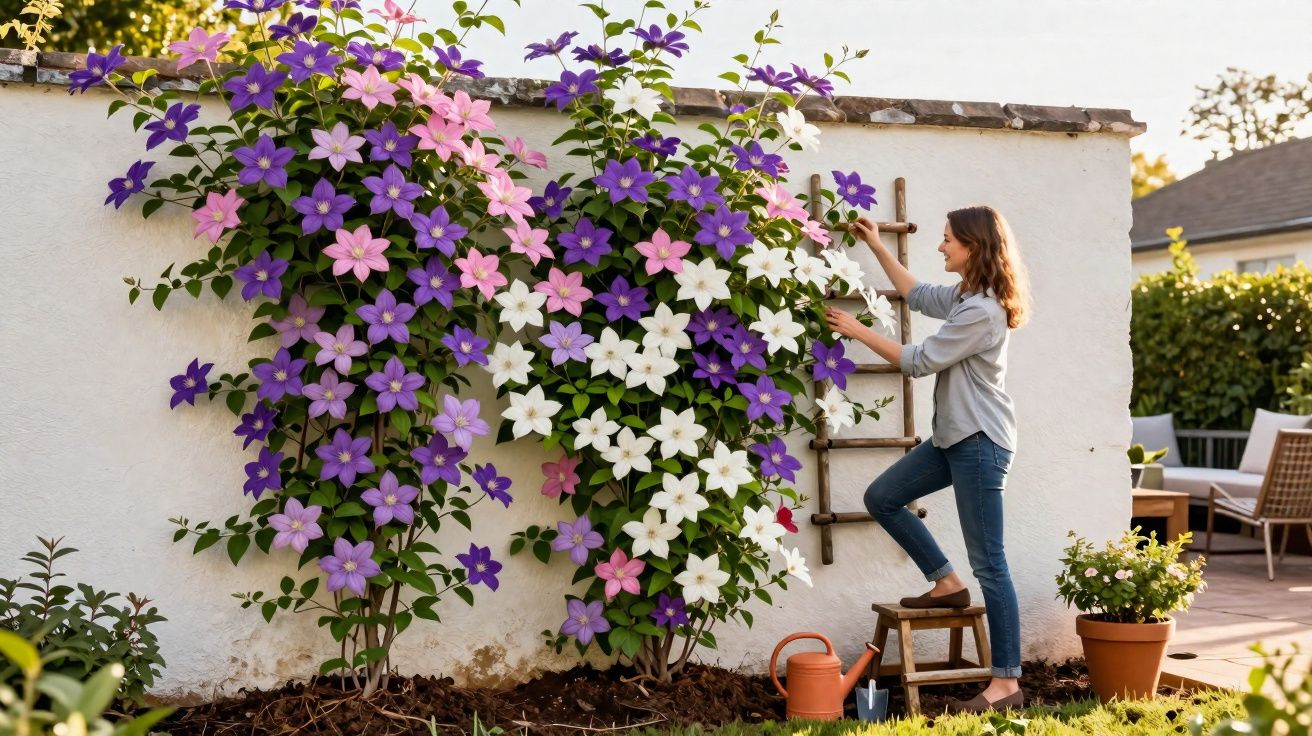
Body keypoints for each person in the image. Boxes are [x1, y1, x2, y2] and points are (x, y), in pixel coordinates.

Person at [822, 206, 1031, 714]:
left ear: (973, 247)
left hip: (979, 442)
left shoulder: (983, 311)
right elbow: (916, 294)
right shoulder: (966, 296)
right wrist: (876, 244)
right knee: (883, 497)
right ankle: (945, 582)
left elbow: (919, 361)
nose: (941, 248)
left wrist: (856, 330)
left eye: (947, 241)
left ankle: (1006, 682)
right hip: (953, 438)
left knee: (991, 564)